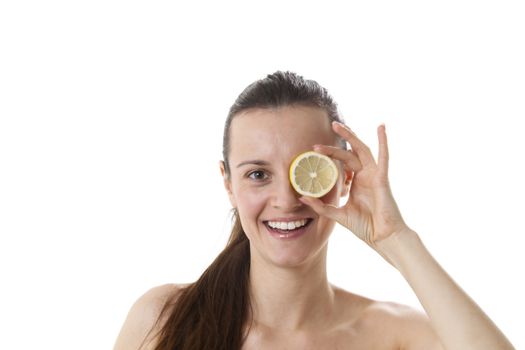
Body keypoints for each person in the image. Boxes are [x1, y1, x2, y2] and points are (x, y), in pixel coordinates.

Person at [114, 71, 515, 350]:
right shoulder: (162, 319)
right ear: (228, 185)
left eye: (305, 172)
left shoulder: (394, 334)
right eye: (257, 174)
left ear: (343, 178)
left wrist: (398, 241)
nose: (286, 199)